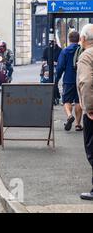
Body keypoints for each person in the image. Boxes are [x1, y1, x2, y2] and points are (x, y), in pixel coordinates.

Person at [77, 24, 93, 201]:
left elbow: (86, 83)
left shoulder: (86, 56)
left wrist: (89, 108)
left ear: (83, 39)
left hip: (92, 111)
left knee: (92, 149)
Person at [56, 31, 83, 132]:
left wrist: (57, 79)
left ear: (69, 39)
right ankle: (78, 124)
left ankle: (69, 115)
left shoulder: (65, 51)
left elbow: (60, 67)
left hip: (68, 79)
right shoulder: (82, 50)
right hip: (80, 79)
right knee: (78, 101)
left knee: (66, 100)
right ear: (79, 39)